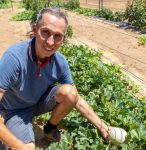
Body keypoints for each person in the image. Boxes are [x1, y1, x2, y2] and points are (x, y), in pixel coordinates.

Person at [0, 8, 109, 150]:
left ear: (63, 39)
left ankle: (50, 129)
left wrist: (101, 125)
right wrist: (18, 146)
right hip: (11, 110)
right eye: (45, 32)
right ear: (34, 29)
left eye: (58, 36)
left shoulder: (60, 62)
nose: (51, 42)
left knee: (70, 93)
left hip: (36, 104)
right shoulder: (14, 58)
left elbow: (76, 99)